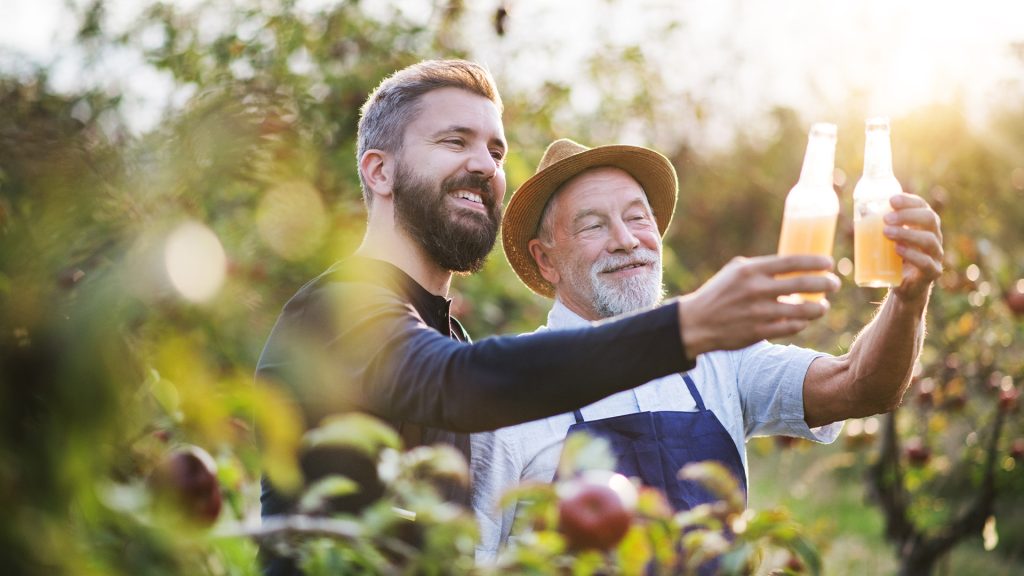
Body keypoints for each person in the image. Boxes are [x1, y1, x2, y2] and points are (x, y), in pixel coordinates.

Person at [255, 60, 838, 574]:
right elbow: (457, 382)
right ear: (379, 172)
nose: (484, 164)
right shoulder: (337, 306)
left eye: (496, 150)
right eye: (455, 141)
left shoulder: (443, 329)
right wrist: (686, 326)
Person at [471, 138, 943, 562]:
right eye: (594, 226)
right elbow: (468, 557)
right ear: (545, 259)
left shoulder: (718, 356)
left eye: (638, 217)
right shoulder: (512, 387)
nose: (626, 240)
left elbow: (861, 387)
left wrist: (909, 296)